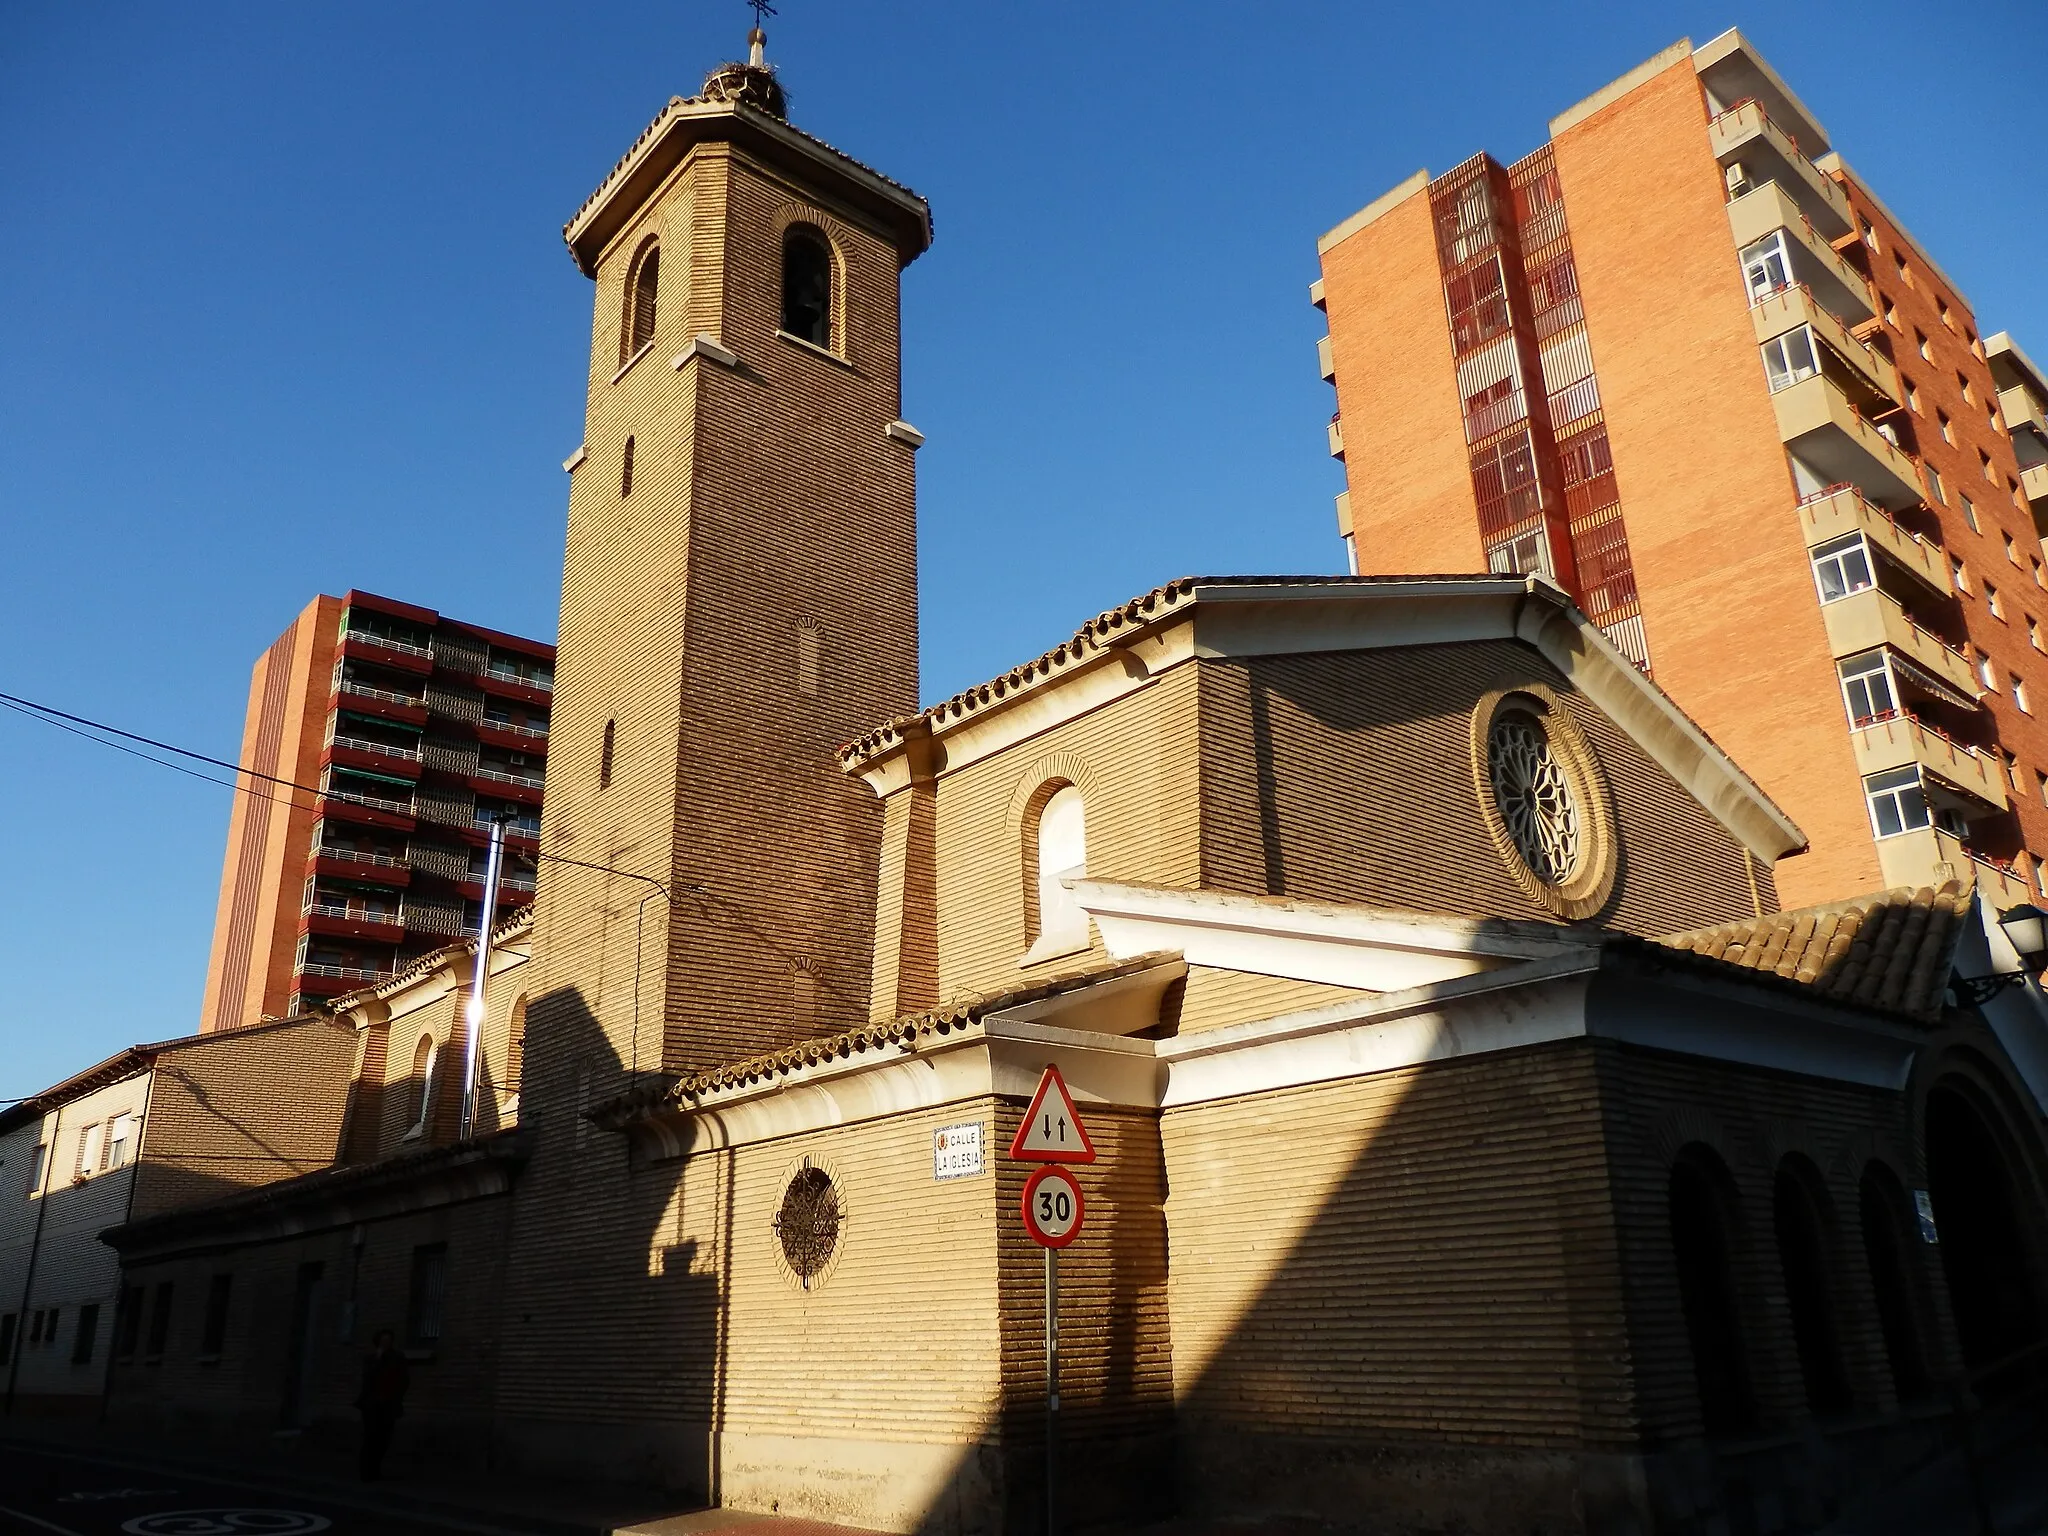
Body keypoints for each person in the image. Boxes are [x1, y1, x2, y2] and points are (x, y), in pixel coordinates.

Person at [354, 1328, 410, 1481]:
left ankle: (375, 1469)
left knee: (384, 1439)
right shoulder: (371, 1359)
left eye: (389, 1340)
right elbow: (367, 1378)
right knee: (370, 1437)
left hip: (388, 1404)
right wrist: (377, 1360)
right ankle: (366, 1471)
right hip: (372, 1405)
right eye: (383, 1340)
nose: (386, 1343)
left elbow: (403, 1379)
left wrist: (397, 1397)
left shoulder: (397, 1358)